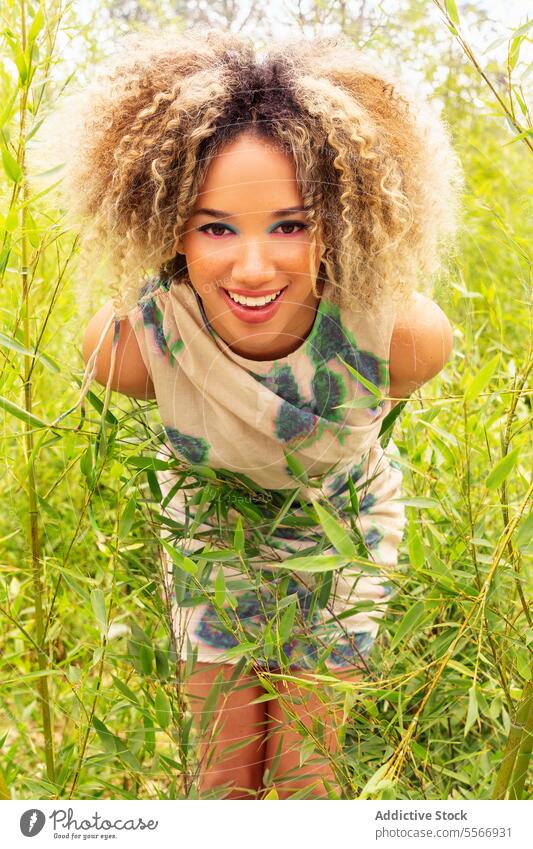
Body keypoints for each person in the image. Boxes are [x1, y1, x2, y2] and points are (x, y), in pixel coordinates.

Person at [55, 28, 462, 799]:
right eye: (215, 226)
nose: (251, 265)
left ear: (340, 219)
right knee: (223, 776)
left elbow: (365, 424)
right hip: (209, 537)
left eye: (290, 224)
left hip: (340, 540)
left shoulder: (399, 334)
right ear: (165, 220)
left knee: (307, 773)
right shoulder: (134, 345)